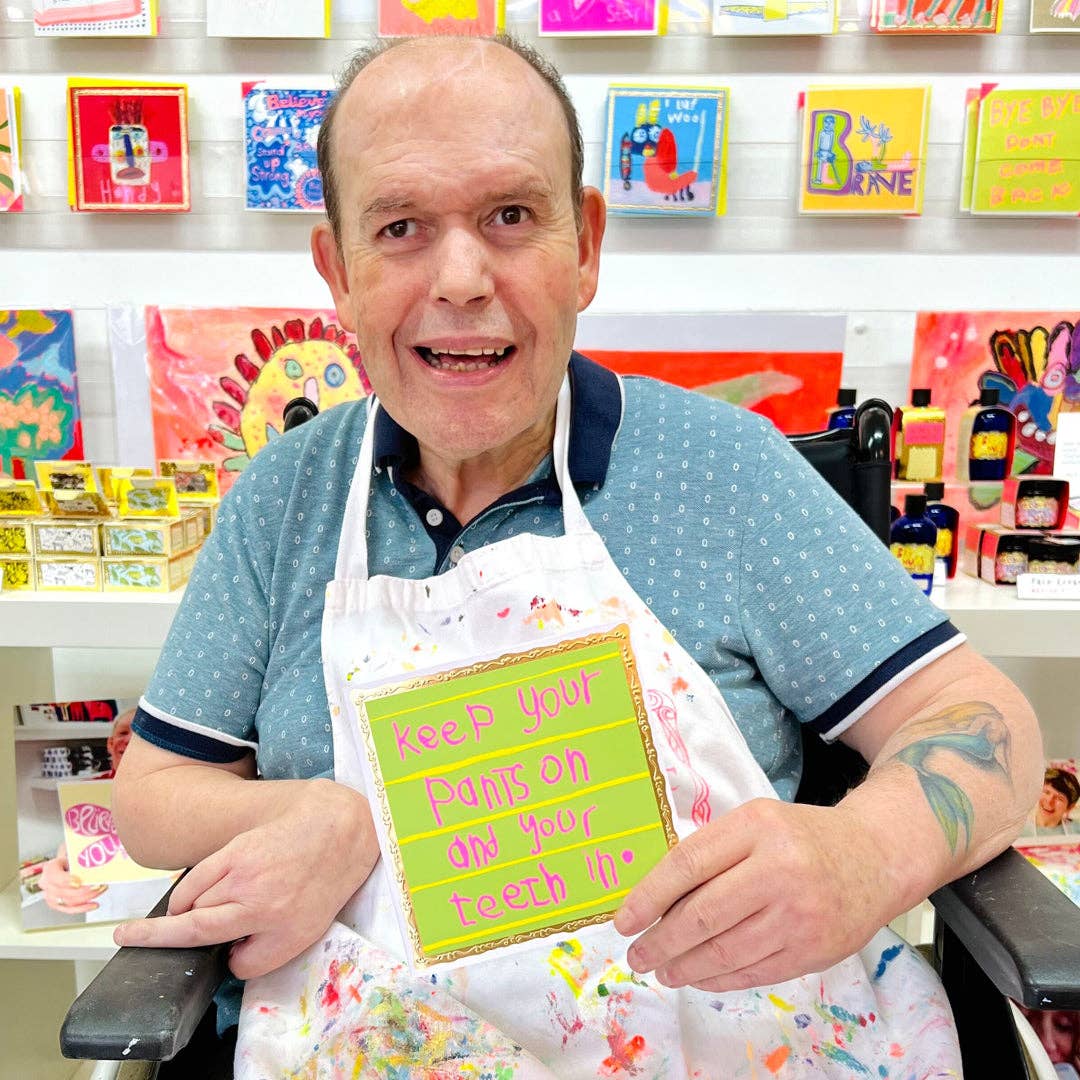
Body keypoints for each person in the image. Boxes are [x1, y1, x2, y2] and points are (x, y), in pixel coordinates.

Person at [111, 34, 1043, 1076]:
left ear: (586, 245)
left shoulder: (722, 469)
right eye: (401, 227)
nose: (460, 278)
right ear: (337, 267)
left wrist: (866, 851)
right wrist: (312, 814)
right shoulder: (280, 501)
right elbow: (153, 789)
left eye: (510, 216)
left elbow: (984, 722)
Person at [40, 708, 134, 915]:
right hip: (104, 901)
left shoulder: (172, 790)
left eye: (139, 733)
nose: (129, 740)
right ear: (110, 744)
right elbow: (72, 842)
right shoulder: (87, 790)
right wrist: (60, 864)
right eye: (123, 733)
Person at [1029, 766, 1080, 835]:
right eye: (1047, 792)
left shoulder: (1076, 831)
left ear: (1070, 807)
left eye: (1059, 798)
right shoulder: (1017, 829)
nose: (1049, 801)